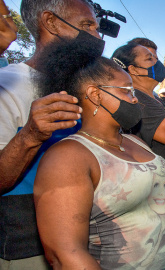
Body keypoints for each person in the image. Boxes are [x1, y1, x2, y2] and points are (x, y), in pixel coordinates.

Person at [33, 41, 165, 269]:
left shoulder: (134, 140)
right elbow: (66, 254)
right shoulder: (68, 157)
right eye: (126, 90)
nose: (134, 99)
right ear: (95, 94)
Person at [0, 0, 102, 267]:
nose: (96, 37)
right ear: (51, 22)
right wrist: (30, 136)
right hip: (30, 250)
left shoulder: (90, 90)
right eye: (87, 25)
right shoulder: (7, 86)